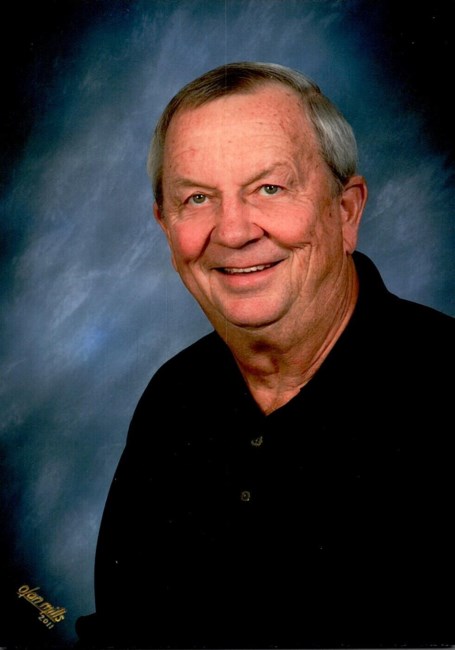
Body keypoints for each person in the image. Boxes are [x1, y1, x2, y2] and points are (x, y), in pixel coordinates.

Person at [76, 61, 454, 648]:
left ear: (346, 211)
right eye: (197, 198)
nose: (233, 232)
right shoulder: (174, 399)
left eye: (269, 189)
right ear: (165, 226)